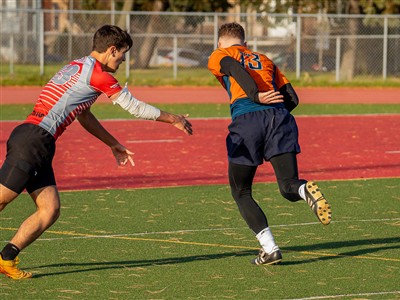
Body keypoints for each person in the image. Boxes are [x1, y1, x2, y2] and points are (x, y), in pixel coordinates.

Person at [0, 25, 193, 279]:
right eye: (123, 54)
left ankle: (6, 259)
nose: (124, 60)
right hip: (33, 141)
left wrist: (112, 143)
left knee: (50, 209)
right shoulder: (99, 75)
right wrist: (174, 119)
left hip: (38, 141)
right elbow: (134, 107)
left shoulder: (79, 65)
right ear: (112, 50)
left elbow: (84, 115)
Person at [207, 22, 331, 265]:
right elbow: (292, 97)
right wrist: (274, 112)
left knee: (241, 191)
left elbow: (232, 67)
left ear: (220, 43)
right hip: (280, 118)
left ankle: (270, 248)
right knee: (288, 186)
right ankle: (304, 190)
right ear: (246, 43)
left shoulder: (220, 54)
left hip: (248, 121)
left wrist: (255, 97)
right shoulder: (264, 59)